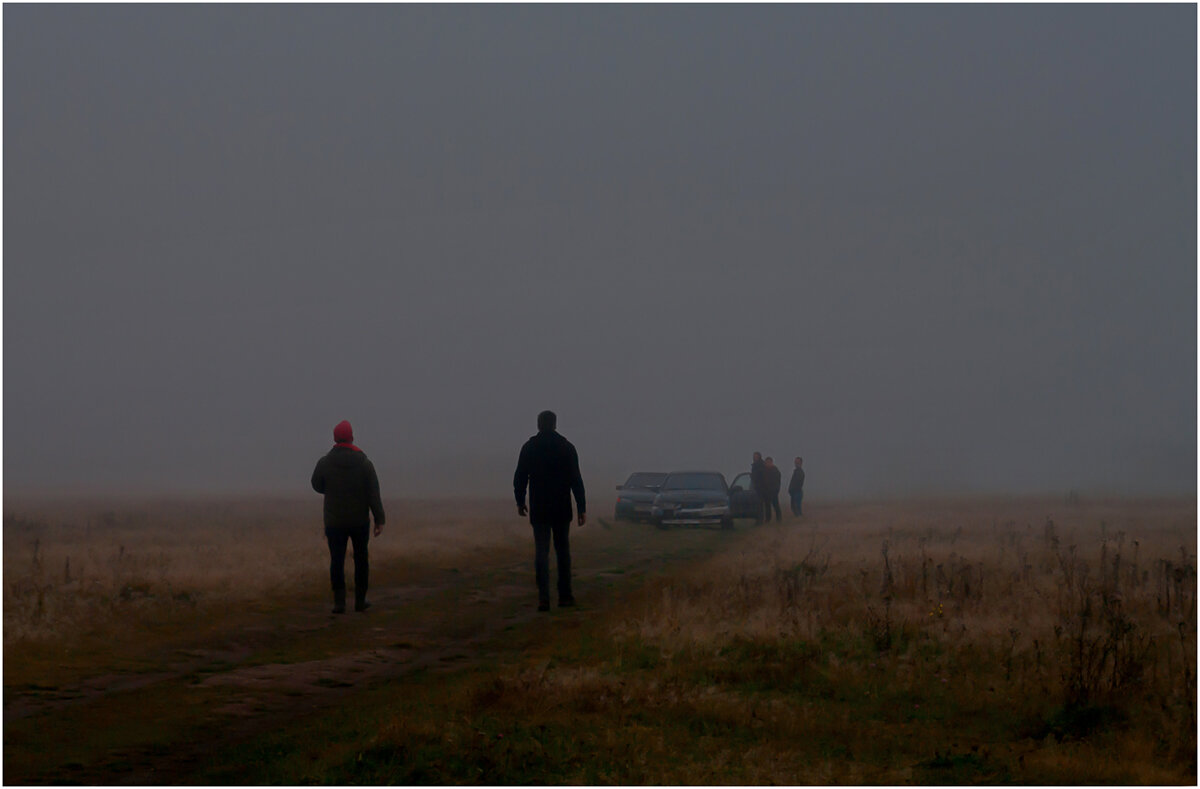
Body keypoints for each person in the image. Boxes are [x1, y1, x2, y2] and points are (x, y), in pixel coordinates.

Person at [513, 410, 586, 611]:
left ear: (538, 425)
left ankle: (543, 599)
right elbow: (576, 480)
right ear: (554, 424)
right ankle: (564, 596)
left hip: (540, 508)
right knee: (563, 552)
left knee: (541, 553)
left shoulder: (529, 448)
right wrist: (581, 507)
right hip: (562, 508)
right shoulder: (566, 447)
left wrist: (520, 501)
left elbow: (520, 477)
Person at [311, 420, 385, 613]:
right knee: (361, 559)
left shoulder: (325, 462)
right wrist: (379, 519)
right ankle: (360, 601)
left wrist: (332, 489)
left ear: (335, 438)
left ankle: (339, 603)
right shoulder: (365, 464)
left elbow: (316, 485)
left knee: (336, 560)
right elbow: (373, 494)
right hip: (359, 521)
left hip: (334, 522)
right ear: (351, 437)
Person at [764, 456, 783, 523]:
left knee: (776, 505)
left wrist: (776, 490)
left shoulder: (775, 471)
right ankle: (768, 519)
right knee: (767, 506)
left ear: (772, 462)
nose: (767, 464)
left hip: (773, 492)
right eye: (766, 462)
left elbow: (778, 482)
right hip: (766, 492)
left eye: (769, 462)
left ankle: (779, 518)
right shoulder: (764, 471)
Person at [750, 452, 767, 523]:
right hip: (756, 486)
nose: (754, 458)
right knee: (757, 504)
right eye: (754, 457)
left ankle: (760, 519)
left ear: (759, 457)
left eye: (756, 457)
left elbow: (760, 476)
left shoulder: (760, 465)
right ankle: (759, 519)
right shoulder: (756, 465)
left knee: (759, 504)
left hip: (760, 488)